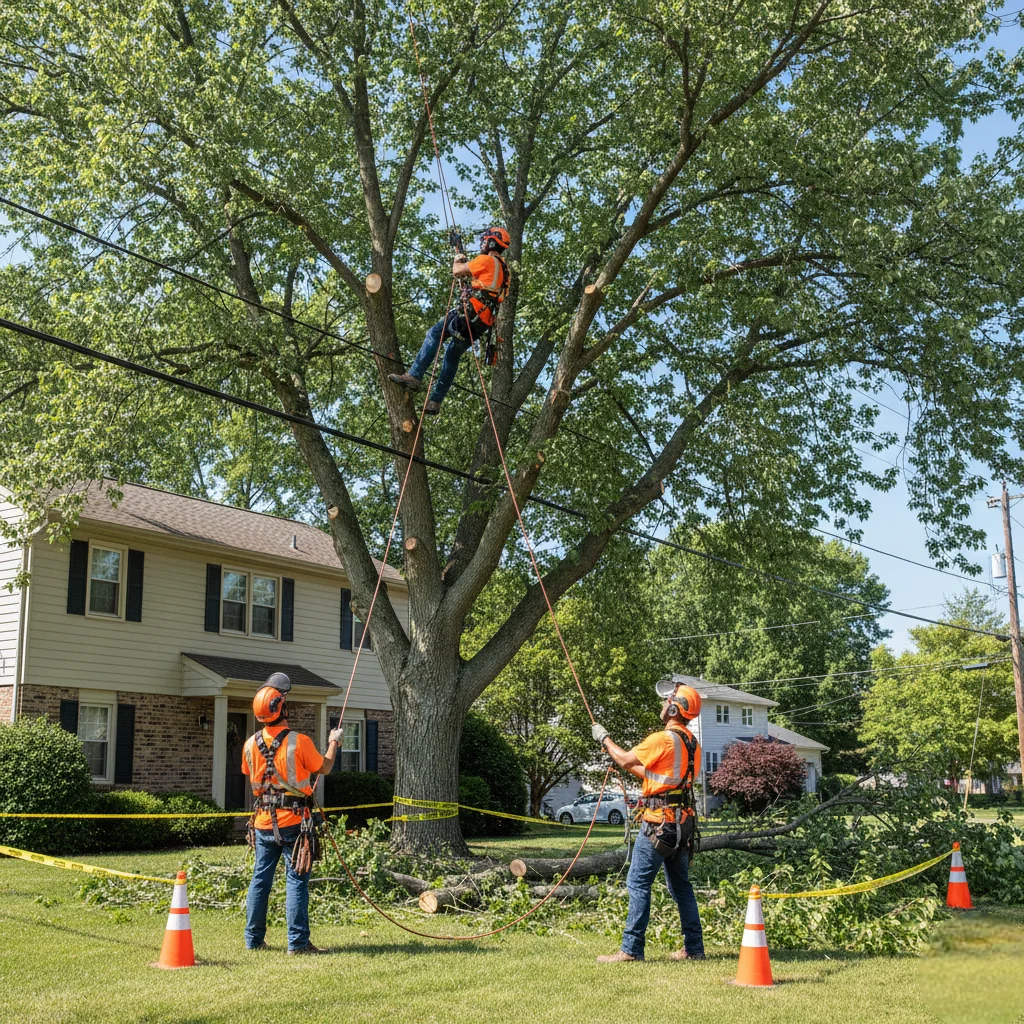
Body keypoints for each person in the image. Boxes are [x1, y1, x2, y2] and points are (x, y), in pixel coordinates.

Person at [591, 674, 705, 963]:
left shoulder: (662, 740)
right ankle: (694, 949)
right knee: (681, 888)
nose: (665, 703)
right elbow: (660, 777)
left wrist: (605, 739)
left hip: (659, 823)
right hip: (683, 823)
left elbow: (627, 759)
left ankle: (631, 949)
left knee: (637, 883)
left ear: (674, 709)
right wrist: (625, 765)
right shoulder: (693, 745)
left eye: (668, 701)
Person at [242, 671, 345, 955]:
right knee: (296, 880)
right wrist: (334, 741)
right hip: (294, 824)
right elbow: (323, 768)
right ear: (282, 709)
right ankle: (297, 944)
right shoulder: (298, 741)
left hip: (262, 822)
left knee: (260, 880)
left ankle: (253, 940)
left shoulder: (250, 744)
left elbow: (250, 774)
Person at [388, 226, 511, 414]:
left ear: (491, 242)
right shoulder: (505, 271)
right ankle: (435, 402)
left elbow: (458, 271)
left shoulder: (486, 260)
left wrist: (458, 259)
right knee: (452, 355)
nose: (483, 244)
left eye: (485, 240)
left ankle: (413, 375)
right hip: (482, 323)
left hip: (470, 313)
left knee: (434, 334)